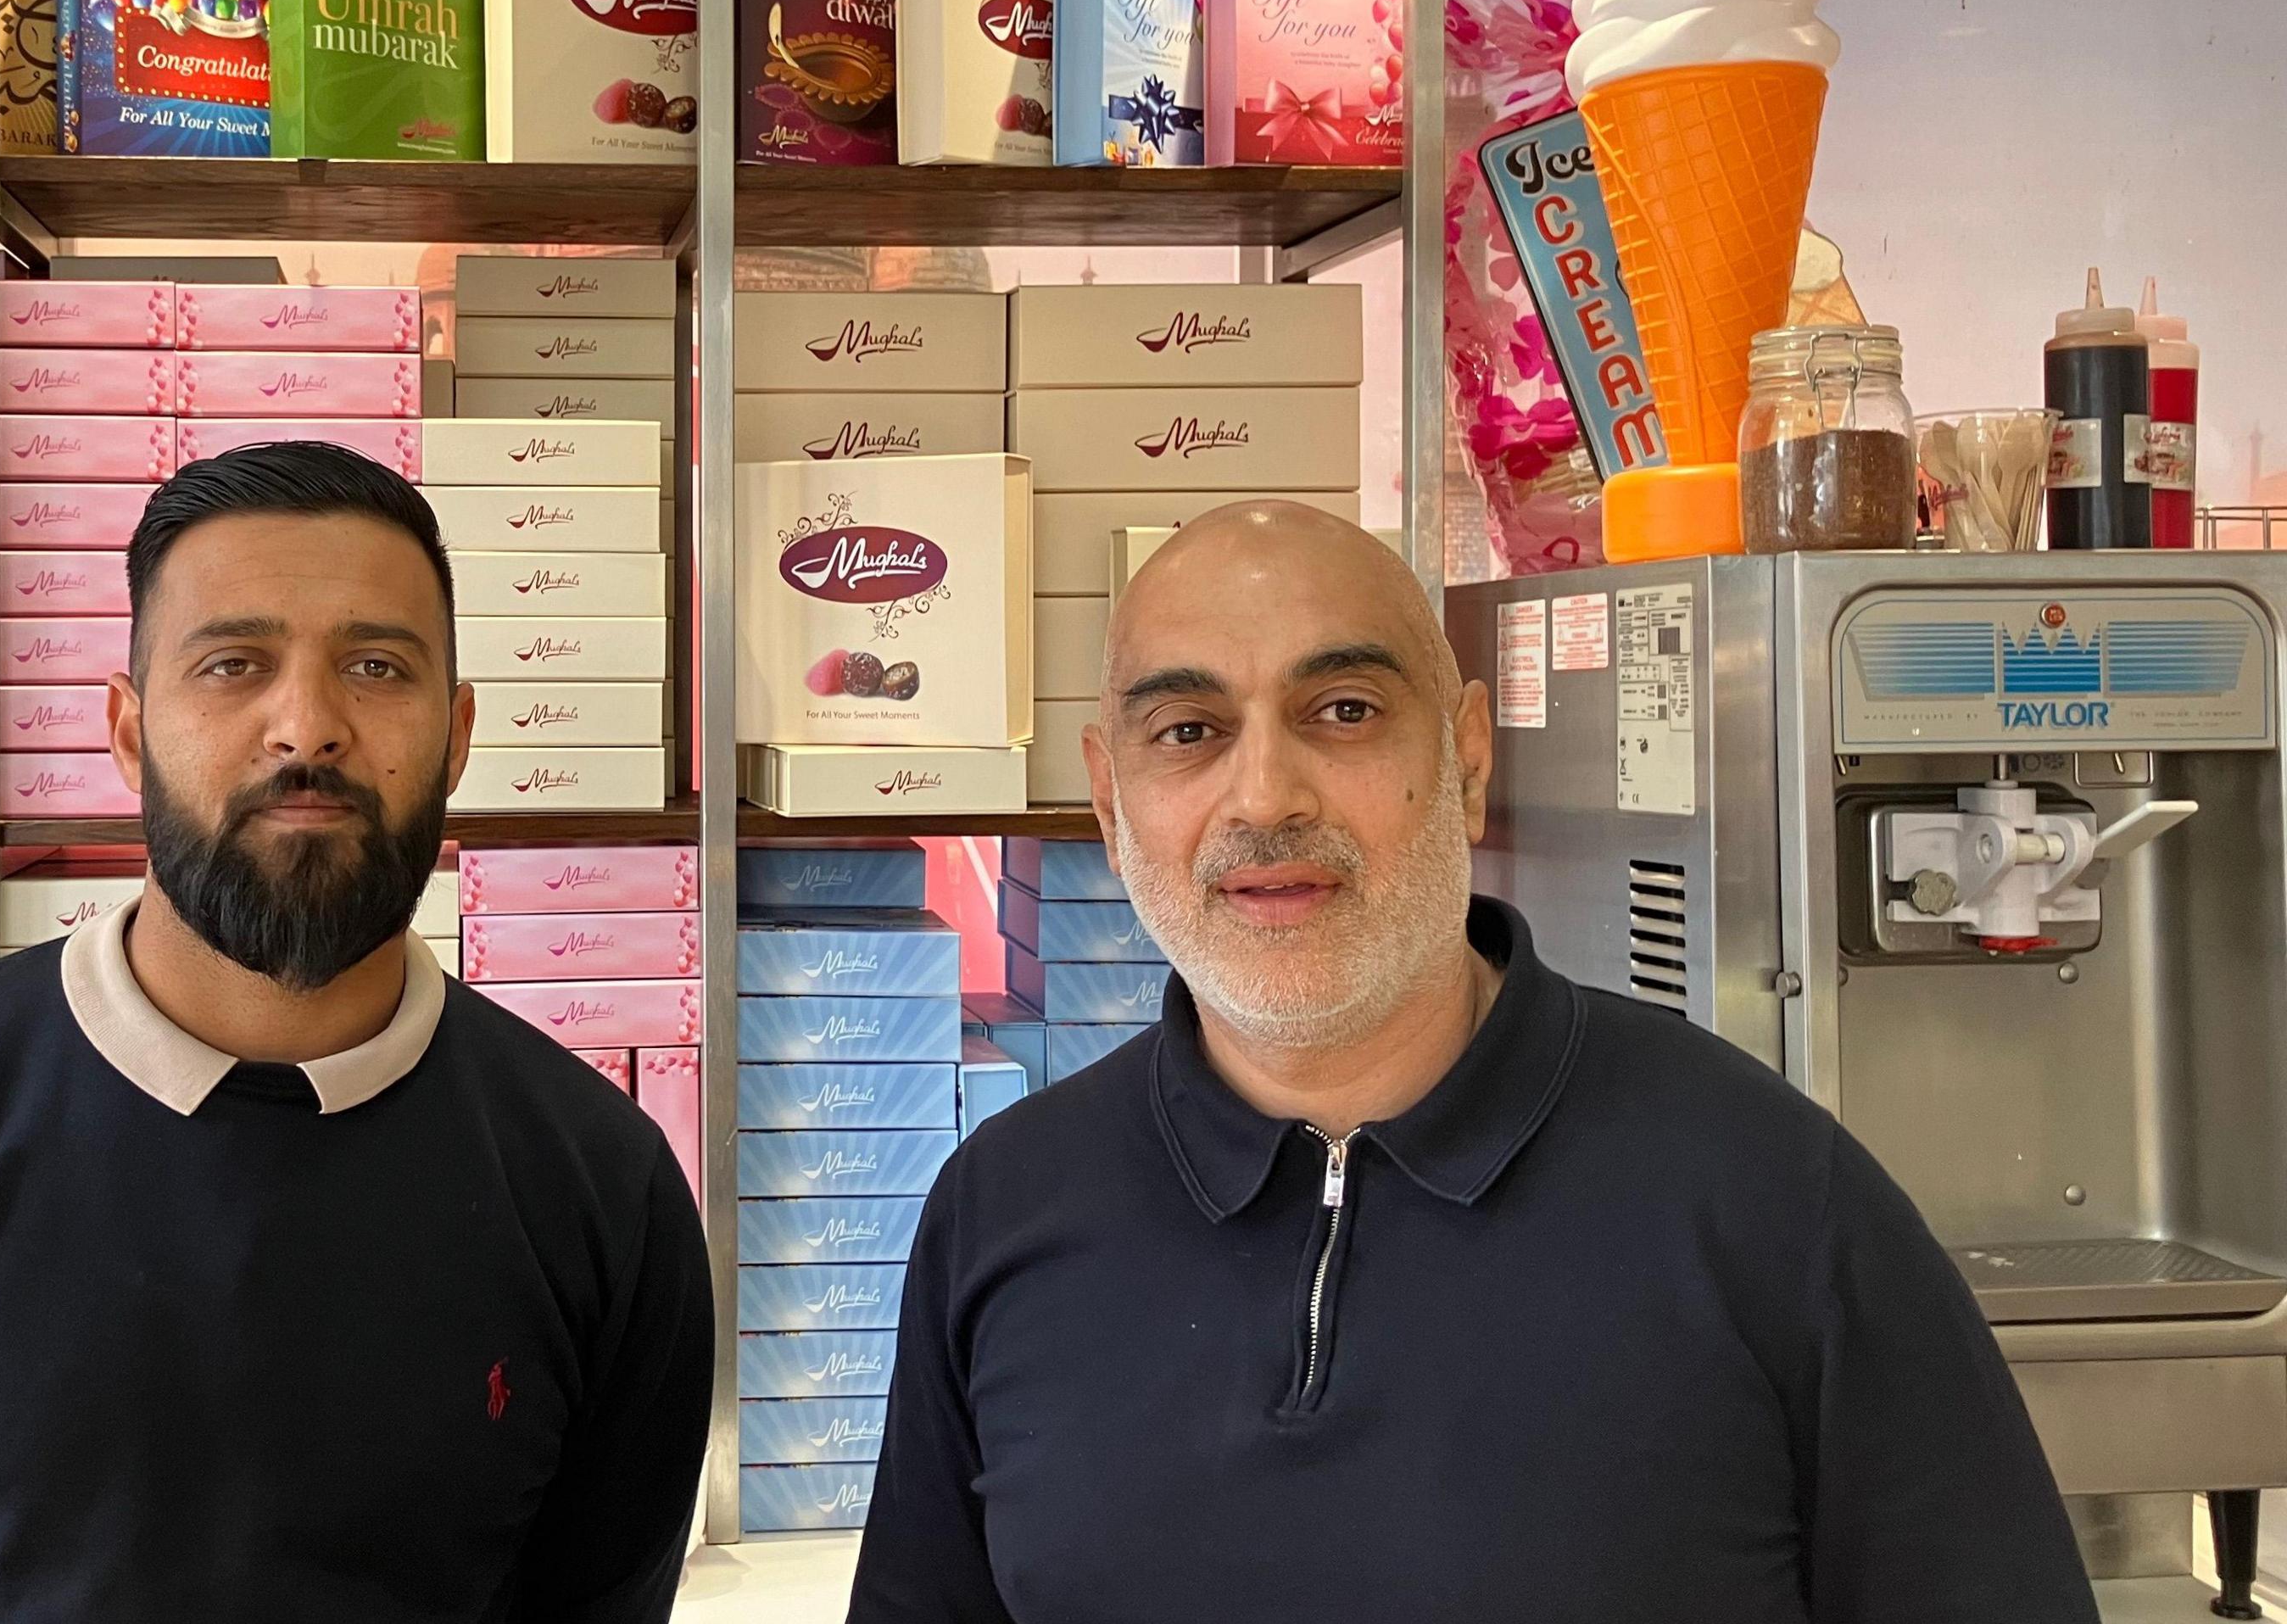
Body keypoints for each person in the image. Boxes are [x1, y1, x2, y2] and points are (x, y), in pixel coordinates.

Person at [848, 503, 2097, 1621]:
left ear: (1469, 760)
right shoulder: (1003, 1209)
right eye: (1189, 730)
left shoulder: (1772, 1199)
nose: (1265, 795)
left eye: (1343, 712)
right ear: (1112, 805)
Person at [0, 443, 713, 1621]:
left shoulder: (599, 1193)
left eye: (376, 666)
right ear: (126, 730)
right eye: (233, 665)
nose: (307, 728)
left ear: (458, 733)